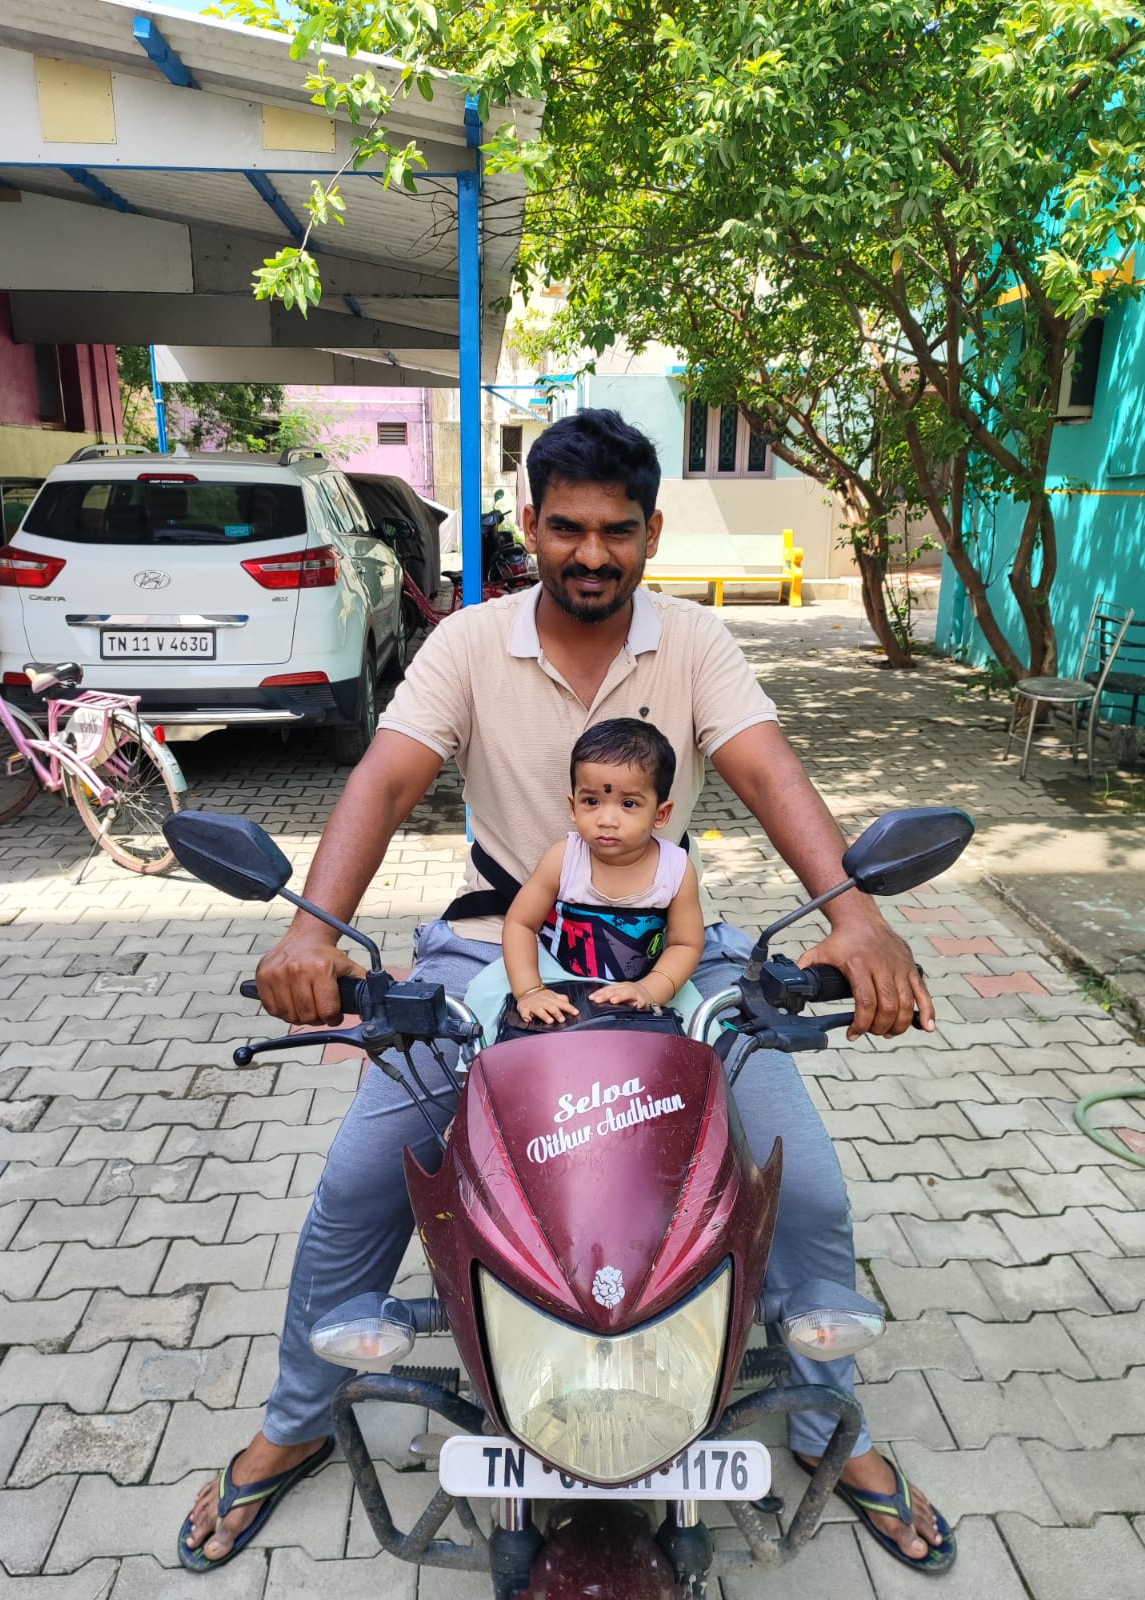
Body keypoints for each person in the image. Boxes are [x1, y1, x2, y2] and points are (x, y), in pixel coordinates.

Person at [179, 408, 954, 1577]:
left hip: (671, 950)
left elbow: (768, 772)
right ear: (531, 524)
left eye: (616, 531)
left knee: (804, 1188)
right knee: (359, 1180)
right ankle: (294, 1422)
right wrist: (311, 930)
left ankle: (825, 1424)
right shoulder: (467, 644)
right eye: (568, 528)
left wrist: (853, 914)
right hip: (498, 944)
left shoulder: (695, 642)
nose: (592, 553)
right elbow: (382, 783)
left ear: (651, 532)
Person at [501, 717, 704, 1027]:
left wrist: (650, 989)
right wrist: (530, 991)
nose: (607, 819)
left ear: (661, 814)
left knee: (704, 1028)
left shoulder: (675, 870)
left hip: (648, 980)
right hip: (554, 974)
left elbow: (684, 944)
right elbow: (520, 924)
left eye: (629, 803)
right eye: (592, 801)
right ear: (573, 807)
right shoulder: (563, 859)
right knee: (483, 1005)